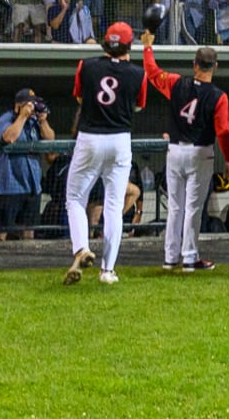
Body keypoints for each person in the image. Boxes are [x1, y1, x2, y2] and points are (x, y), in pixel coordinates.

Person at [60, 24, 148, 286]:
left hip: (90, 137)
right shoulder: (138, 73)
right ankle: (107, 270)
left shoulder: (86, 66)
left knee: (75, 198)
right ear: (128, 46)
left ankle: (81, 248)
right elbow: (140, 105)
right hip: (120, 139)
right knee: (113, 206)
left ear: (104, 44)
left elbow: (79, 98)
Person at [145, 46, 229, 271]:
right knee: (193, 207)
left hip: (175, 150)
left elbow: (152, 71)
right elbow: (223, 131)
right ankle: (189, 257)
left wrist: (147, 47)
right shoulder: (218, 96)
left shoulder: (176, 83)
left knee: (175, 206)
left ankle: (170, 257)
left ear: (195, 64)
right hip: (200, 153)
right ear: (215, 67)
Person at [0, 89, 55, 241]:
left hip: (32, 185)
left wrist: (43, 121)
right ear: (18, 105)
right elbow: (9, 137)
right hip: (8, 185)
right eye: (30, 104)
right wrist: (23, 116)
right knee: (1, 230)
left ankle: (27, 261)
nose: (33, 107)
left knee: (29, 230)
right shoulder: (6, 119)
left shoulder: (34, 122)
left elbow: (50, 139)